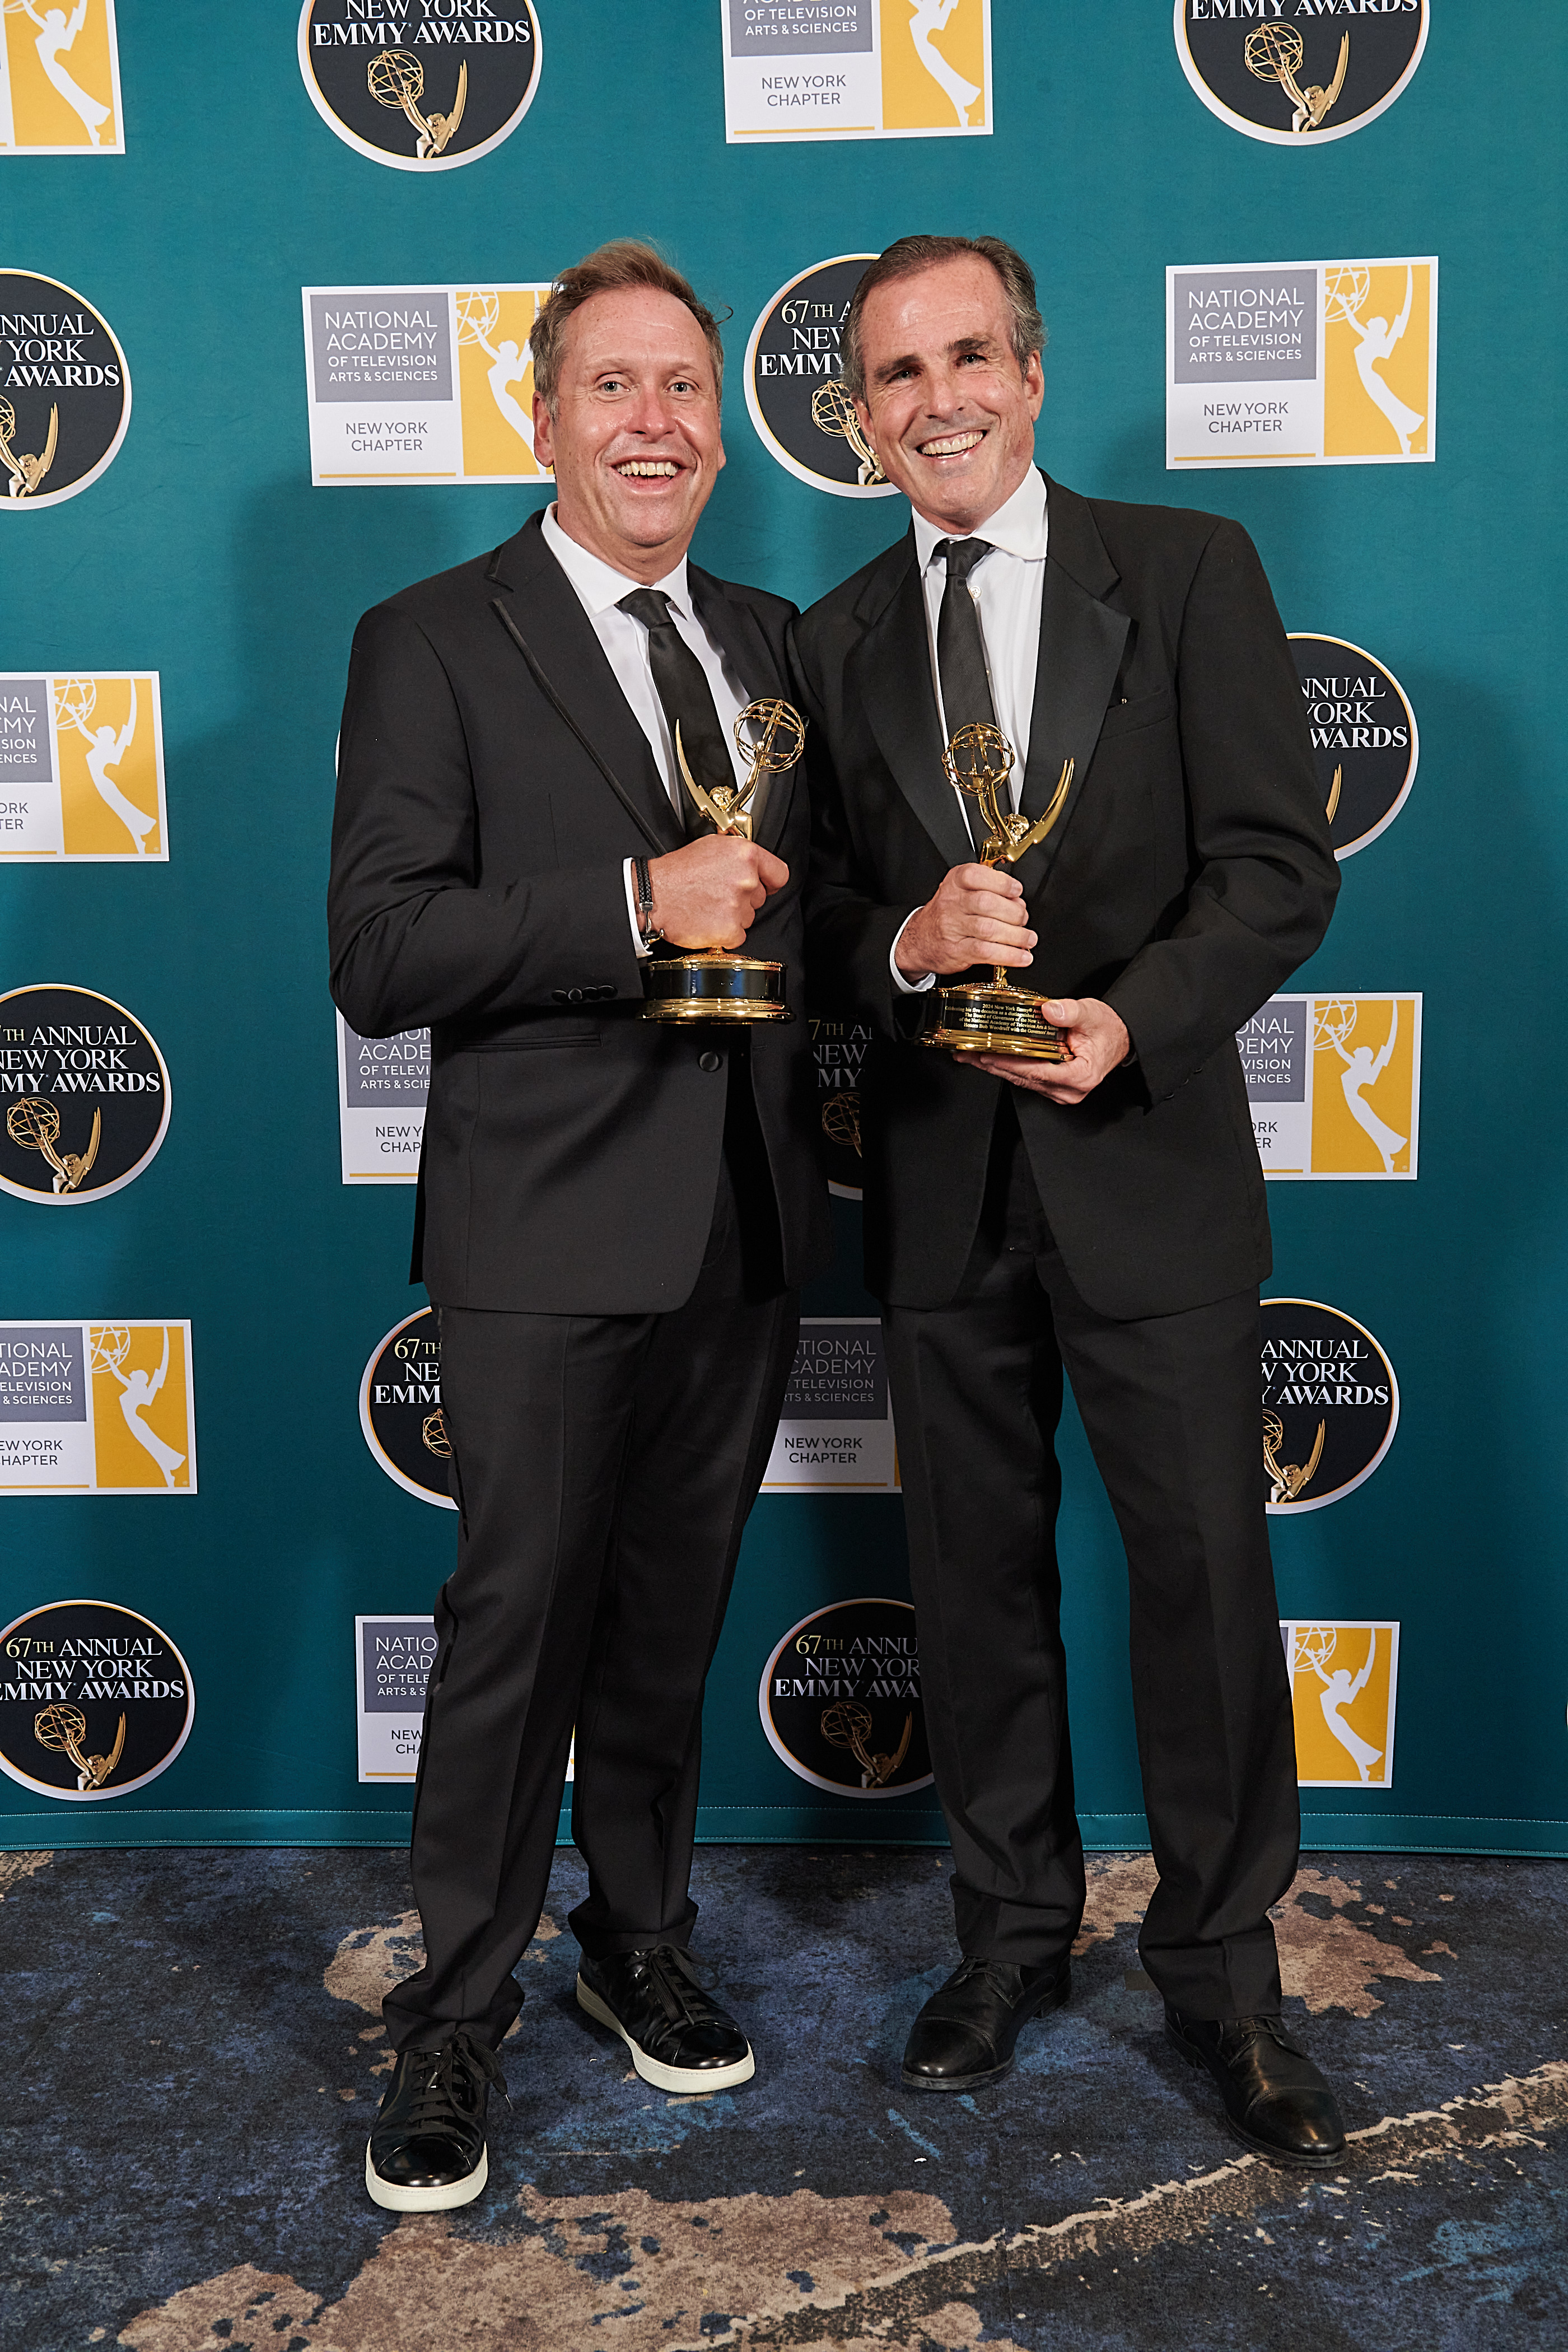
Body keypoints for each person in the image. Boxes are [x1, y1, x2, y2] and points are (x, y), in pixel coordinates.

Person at [793, 234, 1347, 2168]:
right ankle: (1010, 1934)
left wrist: (1137, 1021)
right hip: (942, 1188)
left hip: (1148, 1164)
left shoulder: (1187, 573)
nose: (937, 400)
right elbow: (815, 923)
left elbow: (1277, 868)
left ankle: (1227, 1980)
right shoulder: (832, 638)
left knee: (1204, 1580)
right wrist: (909, 942)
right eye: (896, 374)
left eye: (968, 359)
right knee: (971, 1588)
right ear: (861, 419)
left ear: (1032, 375)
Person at [329, 241, 828, 2212]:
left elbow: (817, 914)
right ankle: (455, 2014)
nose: (655, 422)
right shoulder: (430, 637)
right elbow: (381, 952)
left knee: (667, 1620)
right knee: (512, 1630)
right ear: (539, 419)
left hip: (744, 1215)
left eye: (685, 387)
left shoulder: (773, 641)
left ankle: (637, 1938)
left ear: (724, 427)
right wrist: (633, 902)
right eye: (612, 385)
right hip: (540, 1228)